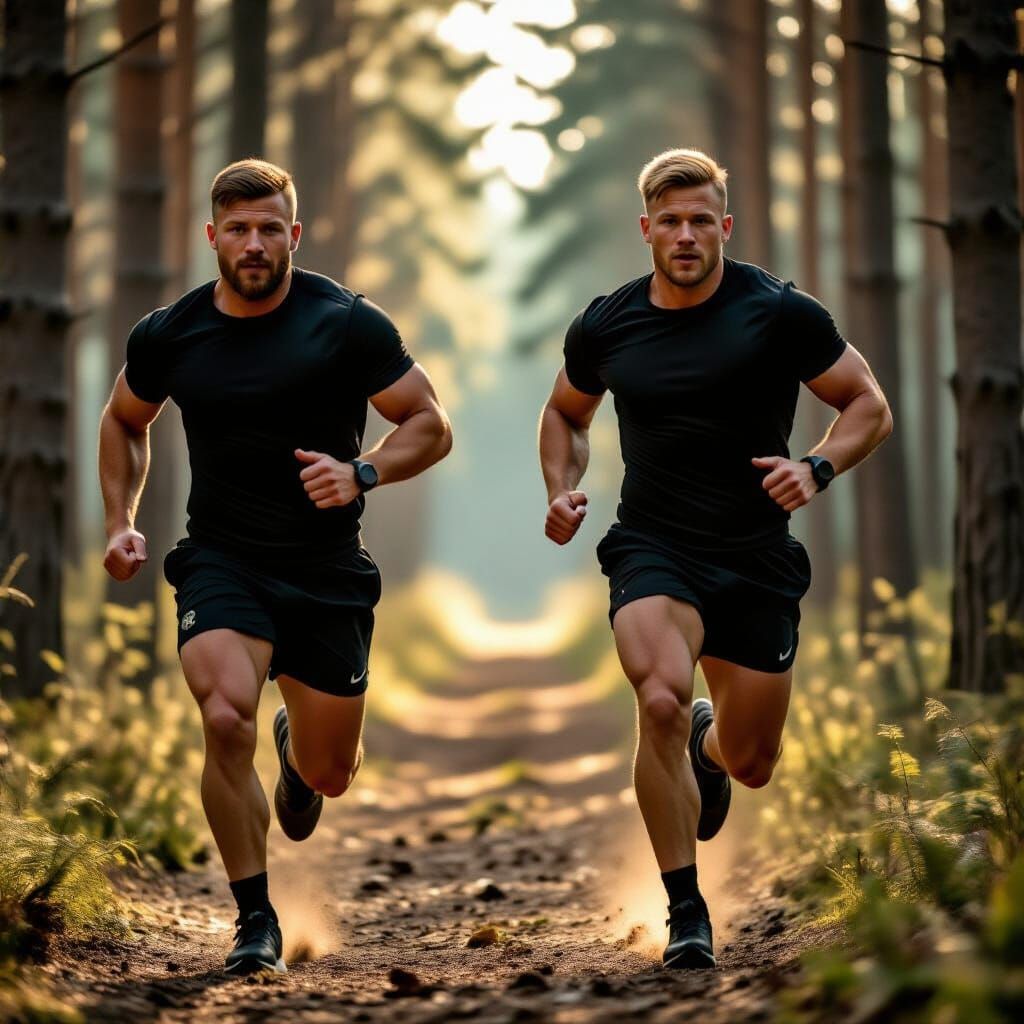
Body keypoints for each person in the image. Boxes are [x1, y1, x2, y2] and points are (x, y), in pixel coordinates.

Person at [537, 148, 892, 969]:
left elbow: (867, 404)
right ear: (647, 229)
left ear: (725, 225)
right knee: (660, 697)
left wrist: (817, 466)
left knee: (752, 761)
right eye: (671, 221)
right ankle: (686, 911)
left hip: (755, 554)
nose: (687, 235)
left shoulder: (780, 312)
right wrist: (561, 488)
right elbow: (565, 413)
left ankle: (711, 748)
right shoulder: (607, 324)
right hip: (653, 546)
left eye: (701, 220)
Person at [98, 159, 453, 975]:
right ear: (212, 237)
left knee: (331, 773)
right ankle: (254, 920)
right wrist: (120, 522)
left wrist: (362, 471)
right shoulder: (170, 334)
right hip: (222, 562)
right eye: (237, 229)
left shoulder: (347, 323)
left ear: (294, 234)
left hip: (326, 571)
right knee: (225, 718)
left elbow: (430, 423)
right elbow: (123, 421)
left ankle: (298, 755)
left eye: (268, 229)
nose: (253, 244)